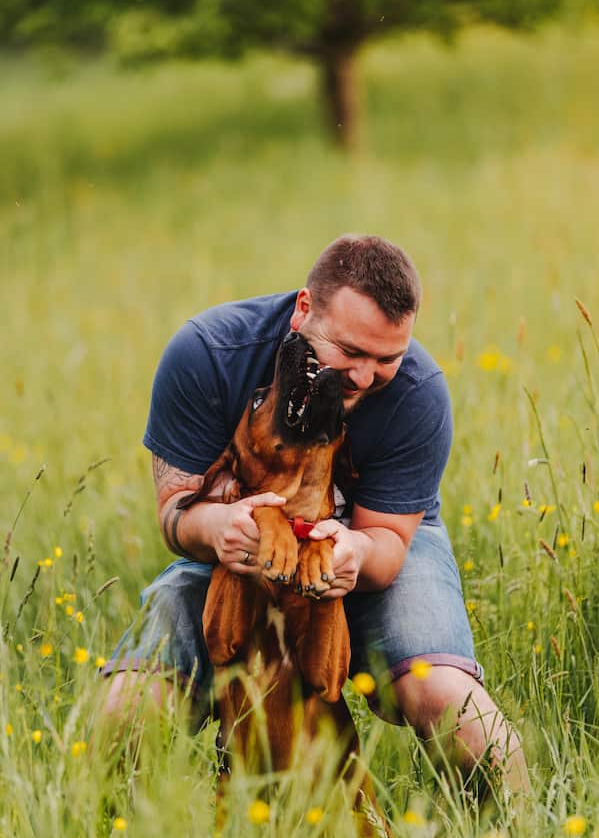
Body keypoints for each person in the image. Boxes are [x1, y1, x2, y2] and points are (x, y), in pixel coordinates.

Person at [101, 234, 529, 794]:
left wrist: (353, 553)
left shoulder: (419, 394)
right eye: (350, 352)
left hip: (368, 537)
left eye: (387, 359)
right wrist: (220, 528)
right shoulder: (209, 354)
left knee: (448, 700)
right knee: (128, 710)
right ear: (304, 310)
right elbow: (175, 516)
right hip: (237, 544)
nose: (364, 376)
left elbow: (387, 547)